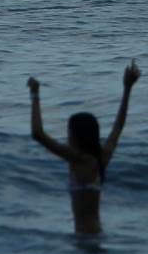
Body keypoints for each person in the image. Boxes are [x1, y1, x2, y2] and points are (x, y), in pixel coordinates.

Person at [27, 59, 141, 235]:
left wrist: (35, 95)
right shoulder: (101, 159)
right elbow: (118, 127)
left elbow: (38, 134)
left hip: (86, 240)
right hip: (95, 235)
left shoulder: (78, 159)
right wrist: (127, 89)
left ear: (78, 137)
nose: (67, 138)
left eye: (69, 133)